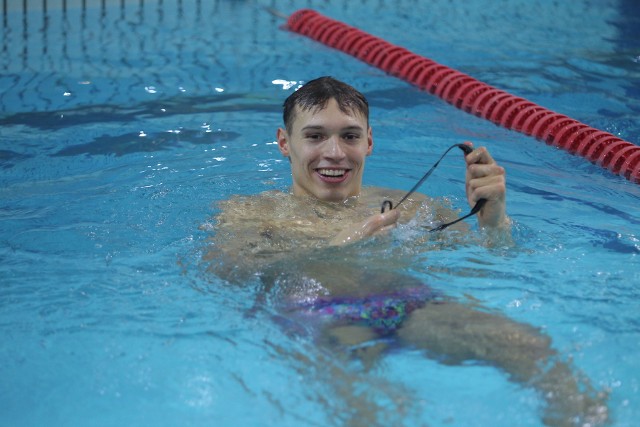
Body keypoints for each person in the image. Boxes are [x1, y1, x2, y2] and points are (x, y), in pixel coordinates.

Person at [206, 77, 607, 426]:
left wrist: (494, 222)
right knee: (375, 409)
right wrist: (338, 245)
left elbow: (492, 265)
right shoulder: (251, 212)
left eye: (349, 136)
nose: (334, 152)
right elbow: (227, 272)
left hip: (406, 305)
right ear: (284, 143)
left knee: (528, 346)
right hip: (320, 318)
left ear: (369, 142)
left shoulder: (410, 206)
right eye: (314, 136)